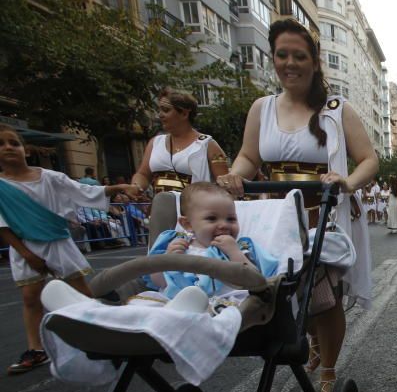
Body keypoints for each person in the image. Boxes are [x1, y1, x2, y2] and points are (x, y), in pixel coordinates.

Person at [216, 18, 379, 392]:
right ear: (273, 58)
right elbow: (247, 156)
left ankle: (328, 372)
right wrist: (233, 177)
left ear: (314, 61)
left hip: (323, 216)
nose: (290, 63)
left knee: (325, 298)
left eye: (299, 56)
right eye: (282, 55)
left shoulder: (338, 110)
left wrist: (347, 183)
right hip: (274, 217)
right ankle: (312, 343)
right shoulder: (261, 108)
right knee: (286, 293)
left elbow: (369, 160)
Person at [0, 124, 138, 374]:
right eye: (2, 144)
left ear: (25, 149)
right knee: (31, 298)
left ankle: (103, 335)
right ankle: (36, 349)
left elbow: (83, 191)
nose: (9, 147)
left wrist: (117, 188)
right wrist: (27, 254)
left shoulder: (49, 177)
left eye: (14, 143)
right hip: (25, 246)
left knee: (82, 293)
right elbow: (3, 226)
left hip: (57, 241)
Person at [42, 182, 278, 314]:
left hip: (218, 305)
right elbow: (157, 282)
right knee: (138, 304)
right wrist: (168, 258)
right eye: (212, 219)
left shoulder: (241, 246)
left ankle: (85, 312)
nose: (223, 226)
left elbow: (257, 279)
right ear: (187, 223)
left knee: (168, 307)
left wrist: (234, 253)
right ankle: (82, 310)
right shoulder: (176, 244)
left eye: (231, 219)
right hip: (170, 302)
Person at [130, 88, 229, 196]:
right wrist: (136, 187)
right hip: (161, 210)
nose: (160, 115)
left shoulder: (208, 146)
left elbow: (224, 187)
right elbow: (143, 174)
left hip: (195, 210)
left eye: (166, 110)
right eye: (159, 110)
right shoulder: (155, 143)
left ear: (184, 114)